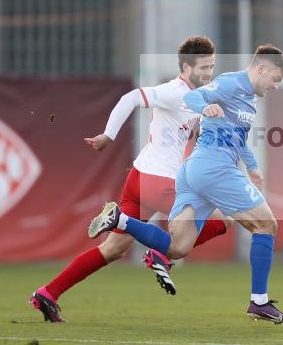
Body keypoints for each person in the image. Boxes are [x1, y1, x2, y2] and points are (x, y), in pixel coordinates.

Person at [29, 35, 232, 323]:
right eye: (203, 67)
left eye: (211, 67)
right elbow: (132, 97)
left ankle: (48, 293)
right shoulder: (174, 91)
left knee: (112, 249)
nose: (209, 73)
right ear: (186, 67)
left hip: (140, 178)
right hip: (158, 181)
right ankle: (160, 255)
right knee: (224, 217)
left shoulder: (194, 98)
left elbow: (184, 132)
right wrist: (109, 135)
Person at [88, 45, 283, 324]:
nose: (276, 86)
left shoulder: (249, 98)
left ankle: (119, 220)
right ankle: (259, 302)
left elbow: (238, 136)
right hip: (215, 169)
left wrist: (253, 166)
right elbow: (195, 97)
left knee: (177, 247)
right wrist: (204, 106)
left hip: (194, 172)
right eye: (276, 79)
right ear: (261, 69)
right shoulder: (231, 83)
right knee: (266, 225)